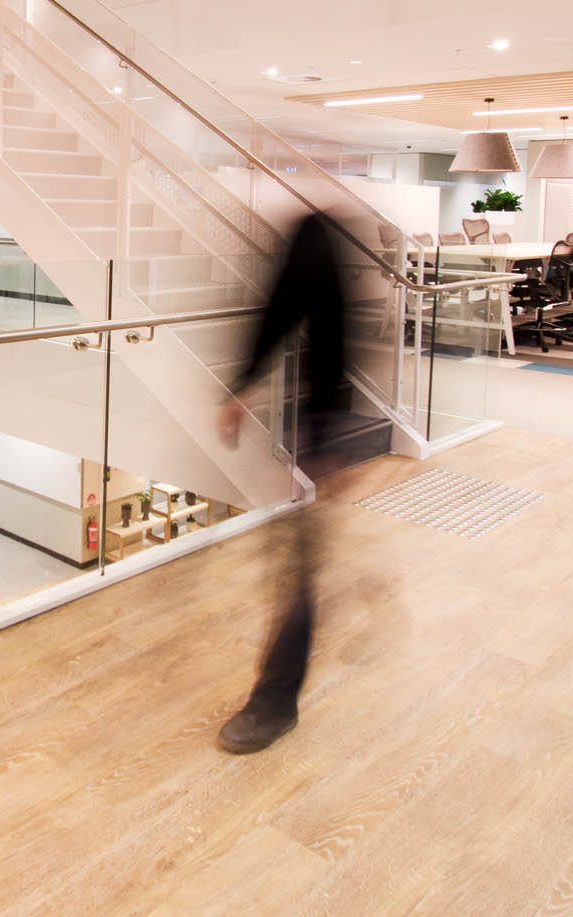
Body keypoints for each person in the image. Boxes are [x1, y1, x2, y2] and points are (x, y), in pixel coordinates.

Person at [214, 209, 349, 754]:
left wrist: (327, 436)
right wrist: (244, 386)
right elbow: (291, 304)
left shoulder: (316, 231)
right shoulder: (313, 230)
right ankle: (273, 694)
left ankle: (275, 701)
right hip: (321, 425)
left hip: (322, 427)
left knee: (298, 570)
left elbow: (312, 316)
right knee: (294, 566)